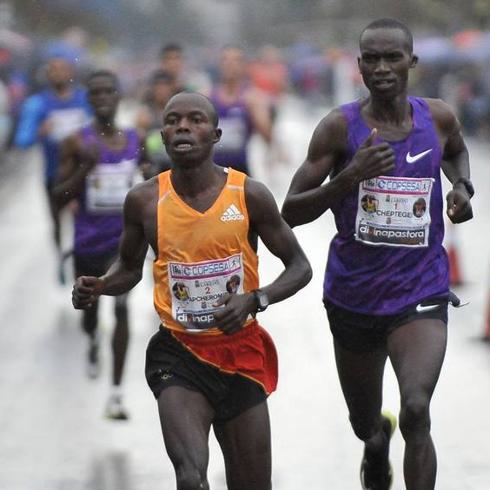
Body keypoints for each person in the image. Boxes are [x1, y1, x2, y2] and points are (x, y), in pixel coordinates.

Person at [72, 91, 312, 489]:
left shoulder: (249, 194)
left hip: (241, 355)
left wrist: (255, 299)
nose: (183, 126)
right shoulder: (145, 201)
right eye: (173, 120)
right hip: (179, 354)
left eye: (195, 119)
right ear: (162, 137)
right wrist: (101, 285)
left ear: (216, 135)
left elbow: (300, 267)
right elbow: (129, 268)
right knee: (190, 477)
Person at [281, 18, 473, 490]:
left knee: (416, 409)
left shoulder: (438, 117)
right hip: (355, 295)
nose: (383, 67)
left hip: (421, 290)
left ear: (412, 62)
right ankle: (374, 442)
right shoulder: (338, 128)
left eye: (393, 57)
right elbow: (290, 211)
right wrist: (349, 177)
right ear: (359, 66)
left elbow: (456, 153)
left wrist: (463, 188)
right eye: (372, 58)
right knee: (364, 420)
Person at [54, 70, 150, 420]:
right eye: (96, 93)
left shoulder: (134, 138)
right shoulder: (76, 143)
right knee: (89, 315)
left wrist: (150, 171)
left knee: (123, 306)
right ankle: (93, 339)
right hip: (87, 244)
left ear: (119, 96)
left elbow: (151, 180)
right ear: (89, 99)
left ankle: (116, 393)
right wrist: (83, 171)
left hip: (124, 243)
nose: (104, 98)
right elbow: (58, 195)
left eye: (110, 91)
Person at [14, 56, 92, 283]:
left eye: (62, 69)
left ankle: (80, 260)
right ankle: (60, 256)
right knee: (57, 222)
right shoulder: (37, 104)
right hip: (53, 176)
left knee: (83, 221)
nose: (57, 74)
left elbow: (99, 128)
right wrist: (40, 131)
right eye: (53, 70)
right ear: (47, 75)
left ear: (71, 72)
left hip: (81, 174)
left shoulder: (84, 99)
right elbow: (22, 140)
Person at [207, 45, 272, 175]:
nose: (230, 65)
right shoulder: (207, 96)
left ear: (244, 66)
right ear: (220, 65)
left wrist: (257, 116)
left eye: (236, 60)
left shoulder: (253, 98)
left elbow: (268, 137)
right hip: (210, 171)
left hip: (240, 169)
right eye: (226, 60)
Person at [135, 70, 175, 175]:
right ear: (153, 89)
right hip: (154, 162)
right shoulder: (145, 114)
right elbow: (139, 142)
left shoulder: (178, 112)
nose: (161, 91)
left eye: (164, 87)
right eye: (158, 87)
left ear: (171, 88)